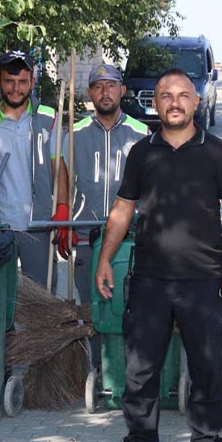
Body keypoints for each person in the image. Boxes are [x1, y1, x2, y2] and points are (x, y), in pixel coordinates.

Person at [96, 68, 222, 442]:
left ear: (196, 102)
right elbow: (123, 210)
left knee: (206, 368)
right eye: (166, 96)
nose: (175, 102)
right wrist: (105, 258)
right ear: (156, 104)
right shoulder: (141, 152)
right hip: (149, 280)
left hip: (202, 279)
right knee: (140, 370)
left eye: (183, 95)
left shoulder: (215, 151)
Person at [0, 50, 70, 290]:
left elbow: (59, 168)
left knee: (41, 295)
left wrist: (63, 208)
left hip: (38, 224)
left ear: (32, 82)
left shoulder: (49, 118)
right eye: (9, 81)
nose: (16, 88)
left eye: (22, 81)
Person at [67, 63, 149, 314]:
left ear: (122, 90)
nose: (105, 92)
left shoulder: (141, 134)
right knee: (90, 310)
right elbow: (64, 184)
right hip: (86, 234)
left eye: (111, 86)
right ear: (89, 93)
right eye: (98, 87)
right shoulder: (74, 135)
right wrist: (64, 220)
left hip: (129, 237)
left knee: (126, 307)